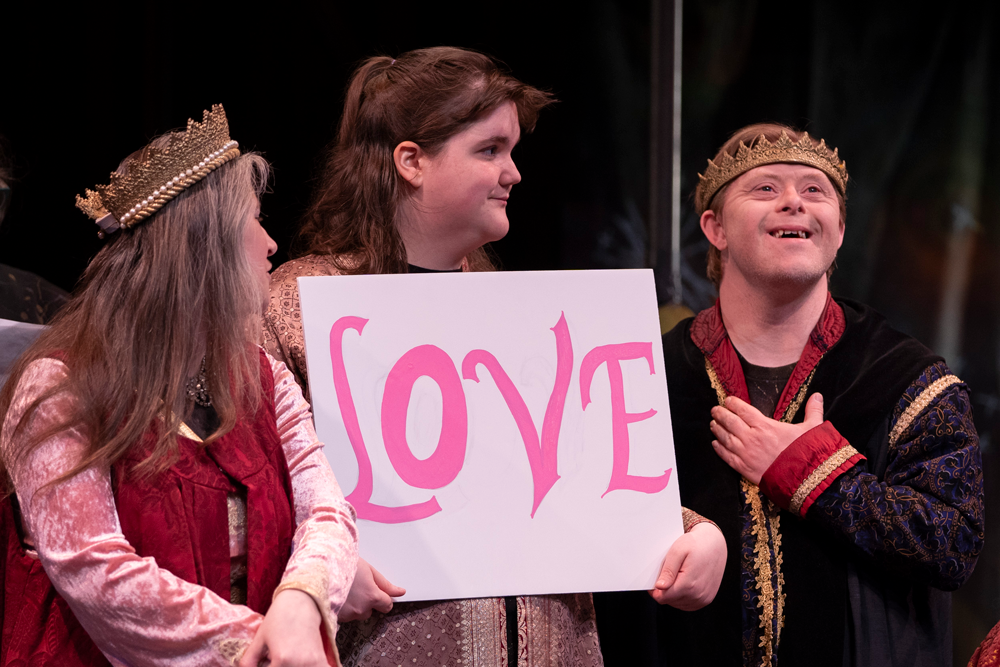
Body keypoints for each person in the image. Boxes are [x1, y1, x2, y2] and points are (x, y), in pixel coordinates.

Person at [264, 47, 727, 666]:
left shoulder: (523, 314)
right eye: (490, 150)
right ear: (411, 161)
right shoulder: (297, 303)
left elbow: (579, 473)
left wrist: (694, 535)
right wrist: (317, 566)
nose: (513, 173)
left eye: (512, 152)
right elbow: (250, 490)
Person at [598, 123, 985, 667]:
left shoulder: (908, 377)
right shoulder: (643, 377)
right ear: (714, 228)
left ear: (840, 229)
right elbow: (587, 531)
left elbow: (953, 544)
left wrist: (812, 473)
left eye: (814, 190)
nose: (793, 203)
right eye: (764, 188)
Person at [0, 105, 358, 667]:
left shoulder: (262, 374)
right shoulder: (61, 386)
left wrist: (301, 601)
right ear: (201, 246)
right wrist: (261, 642)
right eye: (256, 220)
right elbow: (97, 572)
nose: (271, 244)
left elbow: (328, 511)